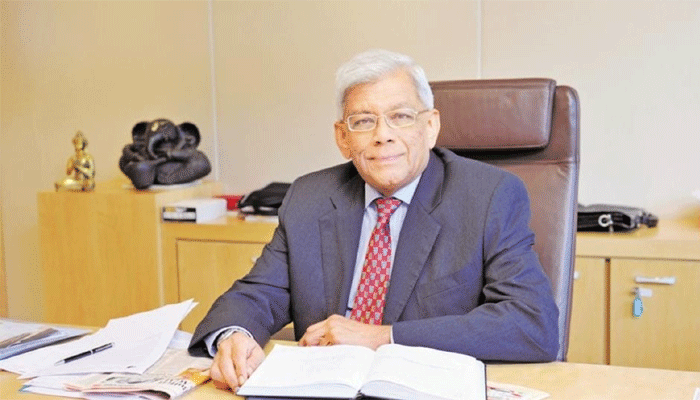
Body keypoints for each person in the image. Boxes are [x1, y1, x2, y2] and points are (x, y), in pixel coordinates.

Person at [189, 49, 559, 391]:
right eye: (364, 121)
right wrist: (234, 336)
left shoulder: (489, 196)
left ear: (431, 126)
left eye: (401, 117)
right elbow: (257, 294)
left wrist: (381, 337)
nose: (383, 136)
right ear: (343, 138)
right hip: (324, 389)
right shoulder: (310, 198)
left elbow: (531, 323)